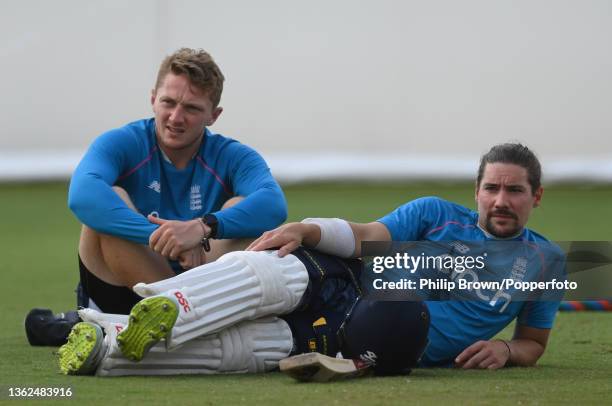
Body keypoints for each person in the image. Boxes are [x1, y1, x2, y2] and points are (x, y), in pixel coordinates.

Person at [56, 142, 564, 377]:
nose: (501, 200)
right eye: (492, 188)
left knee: (241, 352)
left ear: (536, 196)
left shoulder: (549, 262)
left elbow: (533, 343)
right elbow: (366, 236)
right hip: (340, 280)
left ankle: (108, 343)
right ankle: (169, 304)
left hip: (363, 342)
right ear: (476, 190)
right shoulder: (435, 212)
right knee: (272, 265)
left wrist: (508, 352)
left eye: (514, 191)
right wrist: (307, 228)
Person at [71, 48, 287, 314]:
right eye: (168, 102)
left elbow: (274, 204)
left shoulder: (234, 156)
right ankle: (184, 317)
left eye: (191, 108)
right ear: (153, 99)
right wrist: (167, 238)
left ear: (214, 116)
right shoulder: (122, 142)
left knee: (241, 205)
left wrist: (201, 228)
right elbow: (81, 194)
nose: (176, 117)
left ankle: (181, 315)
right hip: (128, 290)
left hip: (200, 285)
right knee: (107, 200)